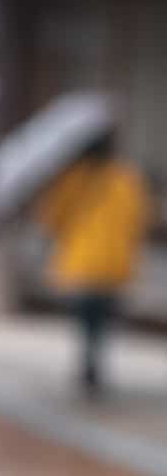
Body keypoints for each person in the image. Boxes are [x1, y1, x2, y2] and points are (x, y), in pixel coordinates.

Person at [36, 131, 154, 395]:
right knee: (101, 319)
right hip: (114, 263)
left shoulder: (73, 179)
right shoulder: (126, 179)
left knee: (86, 318)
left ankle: (89, 364)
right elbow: (140, 218)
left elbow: (51, 217)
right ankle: (94, 363)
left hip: (81, 263)